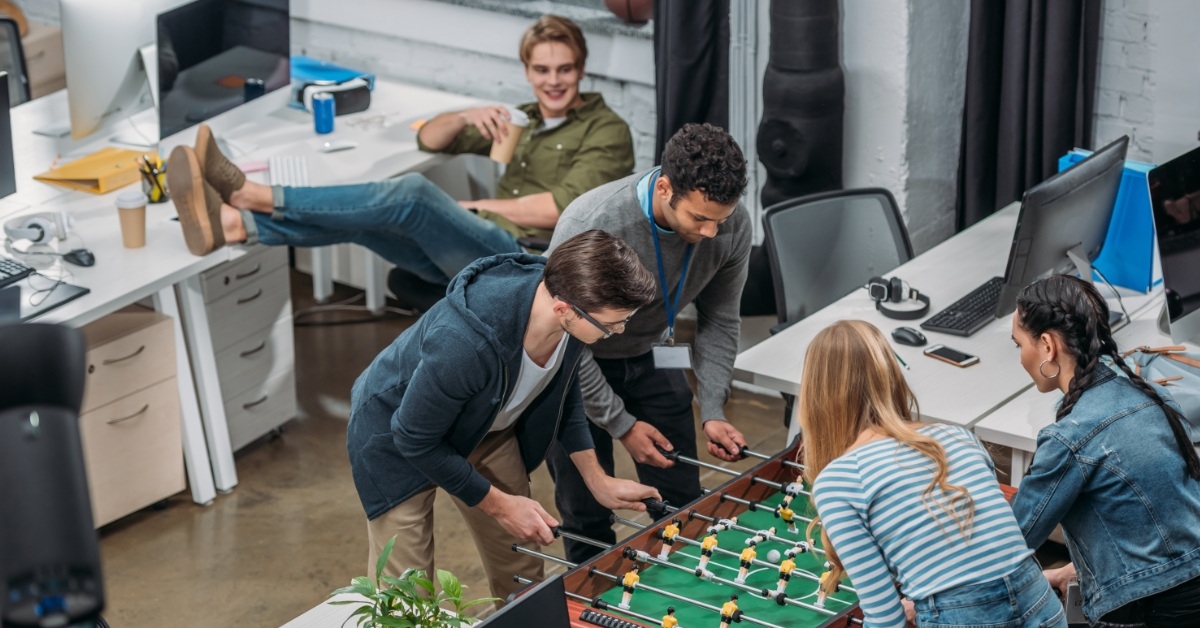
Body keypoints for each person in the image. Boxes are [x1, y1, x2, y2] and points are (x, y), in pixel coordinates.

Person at [166, 15, 633, 297]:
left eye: (564, 70)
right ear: (527, 71)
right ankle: (234, 226)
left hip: (531, 265)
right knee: (367, 220)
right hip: (479, 254)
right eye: (542, 70)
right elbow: (430, 140)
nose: (553, 81)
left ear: (581, 69)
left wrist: (469, 209)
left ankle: (250, 195)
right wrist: (465, 114)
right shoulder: (522, 118)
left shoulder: (607, 130)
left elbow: (561, 209)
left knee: (410, 194)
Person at [345, 230, 660, 606]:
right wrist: (498, 504)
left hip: (486, 427)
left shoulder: (574, 299)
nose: (618, 332)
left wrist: (597, 479)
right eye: (613, 325)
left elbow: (563, 393)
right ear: (564, 309)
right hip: (396, 438)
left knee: (522, 567)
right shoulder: (464, 343)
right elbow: (414, 438)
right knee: (406, 595)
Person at [544, 123, 752, 563]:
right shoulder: (593, 223)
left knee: (683, 505)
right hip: (573, 363)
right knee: (587, 515)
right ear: (664, 188)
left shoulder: (729, 226)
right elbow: (563, 337)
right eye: (700, 218)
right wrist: (621, 424)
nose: (713, 232)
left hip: (652, 354)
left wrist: (713, 408)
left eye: (722, 218)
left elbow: (720, 319)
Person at [802, 320, 1064, 627]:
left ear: (817, 399)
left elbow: (886, 619)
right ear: (891, 376)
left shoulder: (837, 482)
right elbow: (989, 560)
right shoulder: (957, 434)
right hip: (1036, 595)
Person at [1009, 274, 1200, 626]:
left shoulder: (1070, 436)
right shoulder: (1152, 395)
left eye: (1019, 344)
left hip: (1151, 611)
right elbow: (1150, 513)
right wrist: (1077, 569)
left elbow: (1012, 541)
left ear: (1047, 347)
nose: (1019, 357)